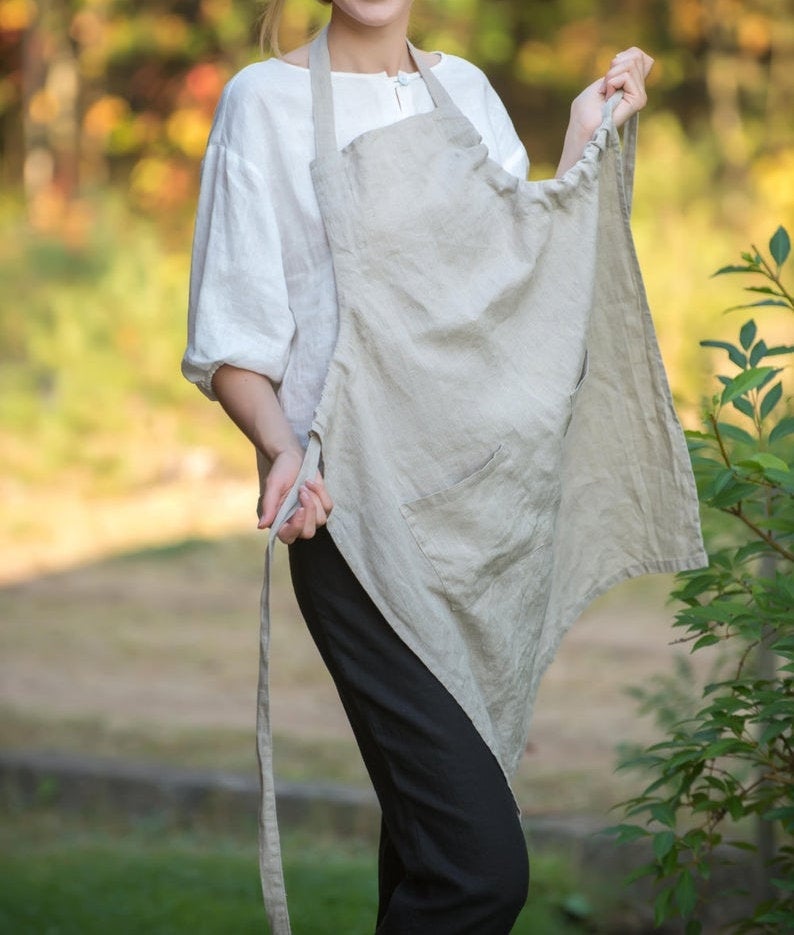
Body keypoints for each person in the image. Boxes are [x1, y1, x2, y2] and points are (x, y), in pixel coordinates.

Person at [183, 2, 705, 932]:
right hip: (358, 527)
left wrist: (583, 139)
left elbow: (512, 284)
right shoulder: (260, 105)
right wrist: (281, 446)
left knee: (429, 860)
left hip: (481, 531)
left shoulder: (465, 91)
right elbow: (234, 339)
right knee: (478, 874)